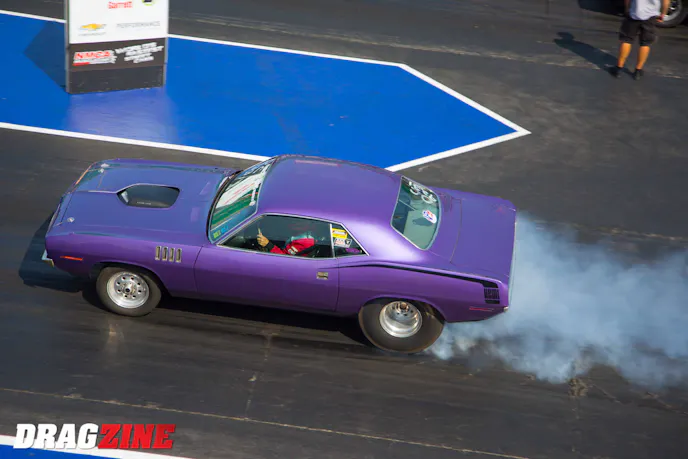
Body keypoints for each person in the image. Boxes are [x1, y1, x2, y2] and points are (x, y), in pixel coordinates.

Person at [610, 0, 670, 80]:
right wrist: (663, 14)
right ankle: (638, 70)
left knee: (627, 40)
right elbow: (666, 1)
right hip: (650, 16)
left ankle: (619, 68)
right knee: (645, 43)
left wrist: (627, 8)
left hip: (634, 13)